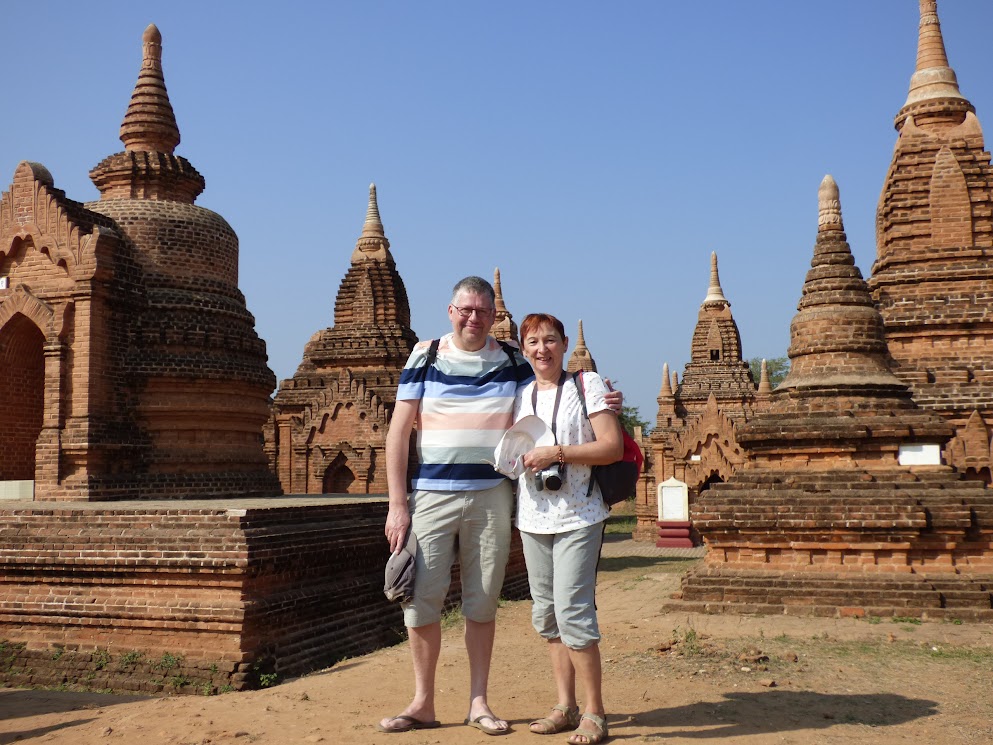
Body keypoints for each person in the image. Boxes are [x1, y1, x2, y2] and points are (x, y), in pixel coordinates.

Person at [379, 278, 620, 736]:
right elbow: (398, 432)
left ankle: (479, 702)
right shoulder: (424, 355)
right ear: (450, 310)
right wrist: (397, 504)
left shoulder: (512, 361)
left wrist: (606, 400)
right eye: (465, 309)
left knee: (482, 600)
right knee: (422, 600)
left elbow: (558, 389)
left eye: (483, 311)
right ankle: (423, 701)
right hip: (430, 496)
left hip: (491, 496)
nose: (473, 318)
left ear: (494, 317)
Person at [514, 313, 622, 745]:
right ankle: (565, 705)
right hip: (533, 516)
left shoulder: (587, 385)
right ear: (523, 349)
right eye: (533, 342)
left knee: (573, 610)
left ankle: (595, 712)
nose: (542, 349)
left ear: (563, 345)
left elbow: (611, 447)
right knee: (546, 612)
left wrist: (557, 452)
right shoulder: (520, 395)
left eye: (550, 340)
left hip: (578, 514)